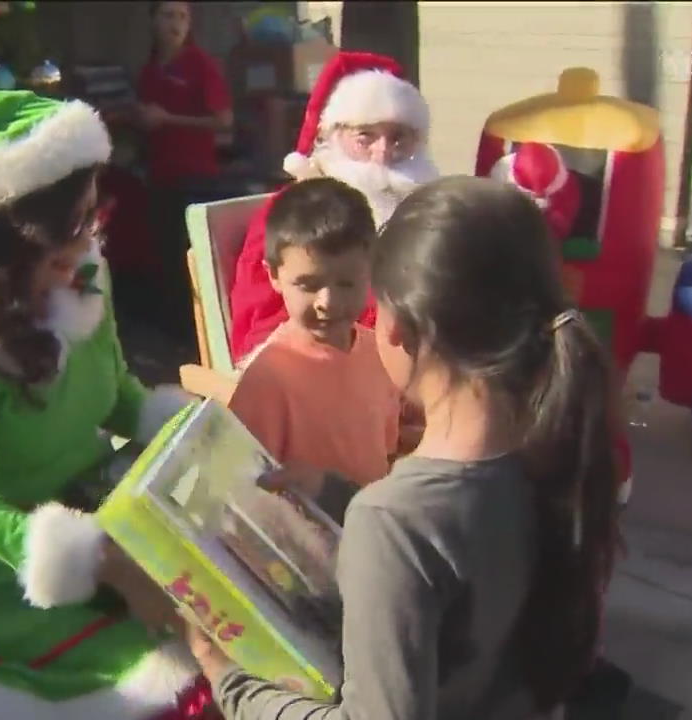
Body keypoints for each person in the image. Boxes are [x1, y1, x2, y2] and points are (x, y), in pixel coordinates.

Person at [184, 176, 625, 719]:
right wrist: (337, 491)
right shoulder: (557, 450)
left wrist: (235, 684)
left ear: (396, 328)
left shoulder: (394, 522)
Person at [0, 89, 211, 720]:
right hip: (0, 578)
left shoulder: (83, 278)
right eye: (65, 231)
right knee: (187, 685)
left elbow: (119, 398)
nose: (83, 243)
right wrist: (99, 563)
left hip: (107, 518)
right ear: (1, 243)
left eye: (91, 217)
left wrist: (203, 448)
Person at [228, 51, 441, 365]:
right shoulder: (295, 214)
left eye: (399, 138)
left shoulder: (428, 210)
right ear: (332, 137)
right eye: (364, 137)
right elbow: (260, 331)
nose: (382, 153)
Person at [228, 178, 401, 488]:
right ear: (274, 276)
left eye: (347, 283)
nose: (328, 302)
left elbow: (386, 450)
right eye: (308, 285)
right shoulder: (269, 377)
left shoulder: (380, 353)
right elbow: (240, 482)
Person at [136, 0, 235, 348]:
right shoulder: (149, 70)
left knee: (193, 258)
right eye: (168, 16)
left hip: (196, 178)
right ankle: (175, 336)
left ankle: (203, 338)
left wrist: (168, 119)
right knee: (166, 256)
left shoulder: (200, 65)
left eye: (182, 17)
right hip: (160, 175)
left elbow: (224, 120)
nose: (176, 24)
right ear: (153, 21)